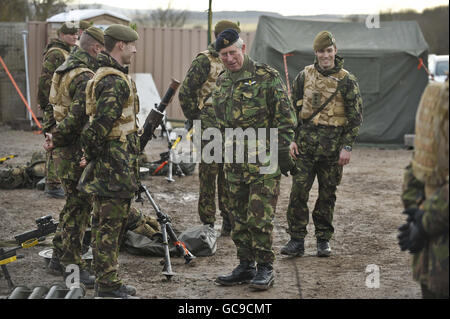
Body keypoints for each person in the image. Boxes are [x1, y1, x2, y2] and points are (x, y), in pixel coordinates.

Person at [213, 29, 297, 290]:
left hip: (263, 160)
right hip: (234, 161)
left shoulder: (266, 76)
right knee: (238, 217)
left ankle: (265, 268)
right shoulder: (222, 81)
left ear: (243, 48)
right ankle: (245, 264)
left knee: (258, 218)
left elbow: (285, 118)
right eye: (223, 55)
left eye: (233, 53)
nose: (229, 59)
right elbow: (220, 123)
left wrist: (283, 154)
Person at [281, 30, 363, 257]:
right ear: (315, 53)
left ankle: (323, 239)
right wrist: (291, 140)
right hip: (305, 149)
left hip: (333, 151)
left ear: (335, 51)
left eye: (329, 51)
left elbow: (355, 118)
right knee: (298, 194)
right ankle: (296, 240)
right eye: (321, 51)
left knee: (327, 195)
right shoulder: (304, 76)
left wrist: (347, 147)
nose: (325, 55)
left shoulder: (347, 81)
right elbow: (291, 111)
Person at [78, 24, 140, 299]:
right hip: (113, 167)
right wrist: (91, 155)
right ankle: (107, 284)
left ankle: (106, 279)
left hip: (111, 164)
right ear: (121, 46)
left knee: (104, 225)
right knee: (109, 228)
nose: (135, 50)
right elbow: (100, 127)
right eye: (132, 45)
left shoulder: (105, 74)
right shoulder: (114, 80)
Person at [42, 27, 105, 288]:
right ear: (96, 49)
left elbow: (51, 105)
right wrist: (59, 140)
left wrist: (50, 135)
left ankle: (58, 256)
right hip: (74, 150)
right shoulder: (84, 76)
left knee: (72, 207)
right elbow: (79, 118)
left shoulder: (65, 67)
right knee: (79, 210)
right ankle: (72, 269)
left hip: (62, 149)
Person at [179, 20, 241, 236]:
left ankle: (228, 220)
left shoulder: (236, 60)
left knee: (229, 173)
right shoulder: (204, 61)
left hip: (231, 126)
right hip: (209, 125)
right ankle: (207, 222)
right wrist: (196, 118)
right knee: (208, 174)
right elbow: (186, 91)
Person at [398, 78, 448, 299]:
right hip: (434, 256)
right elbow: (421, 159)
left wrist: (421, 221)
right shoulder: (440, 95)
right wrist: (416, 215)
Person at [37, 22, 78, 199]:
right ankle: (53, 185)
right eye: (70, 34)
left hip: (61, 104)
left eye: (75, 34)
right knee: (54, 140)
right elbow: (45, 80)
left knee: (59, 141)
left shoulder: (67, 52)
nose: (74, 37)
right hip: (54, 105)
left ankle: (53, 180)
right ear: (61, 35)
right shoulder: (56, 53)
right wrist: (46, 103)